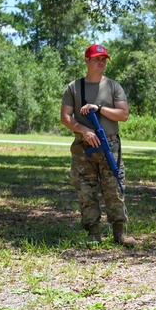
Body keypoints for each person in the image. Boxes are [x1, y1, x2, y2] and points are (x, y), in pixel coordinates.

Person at [60, 44, 134, 245]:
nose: (101, 63)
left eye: (103, 59)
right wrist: (83, 130)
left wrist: (99, 108)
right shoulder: (74, 87)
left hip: (110, 145)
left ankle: (120, 234)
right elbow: (65, 117)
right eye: (96, 59)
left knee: (114, 189)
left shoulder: (113, 87)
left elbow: (124, 115)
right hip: (84, 148)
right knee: (86, 190)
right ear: (87, 60)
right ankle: (93, 233)